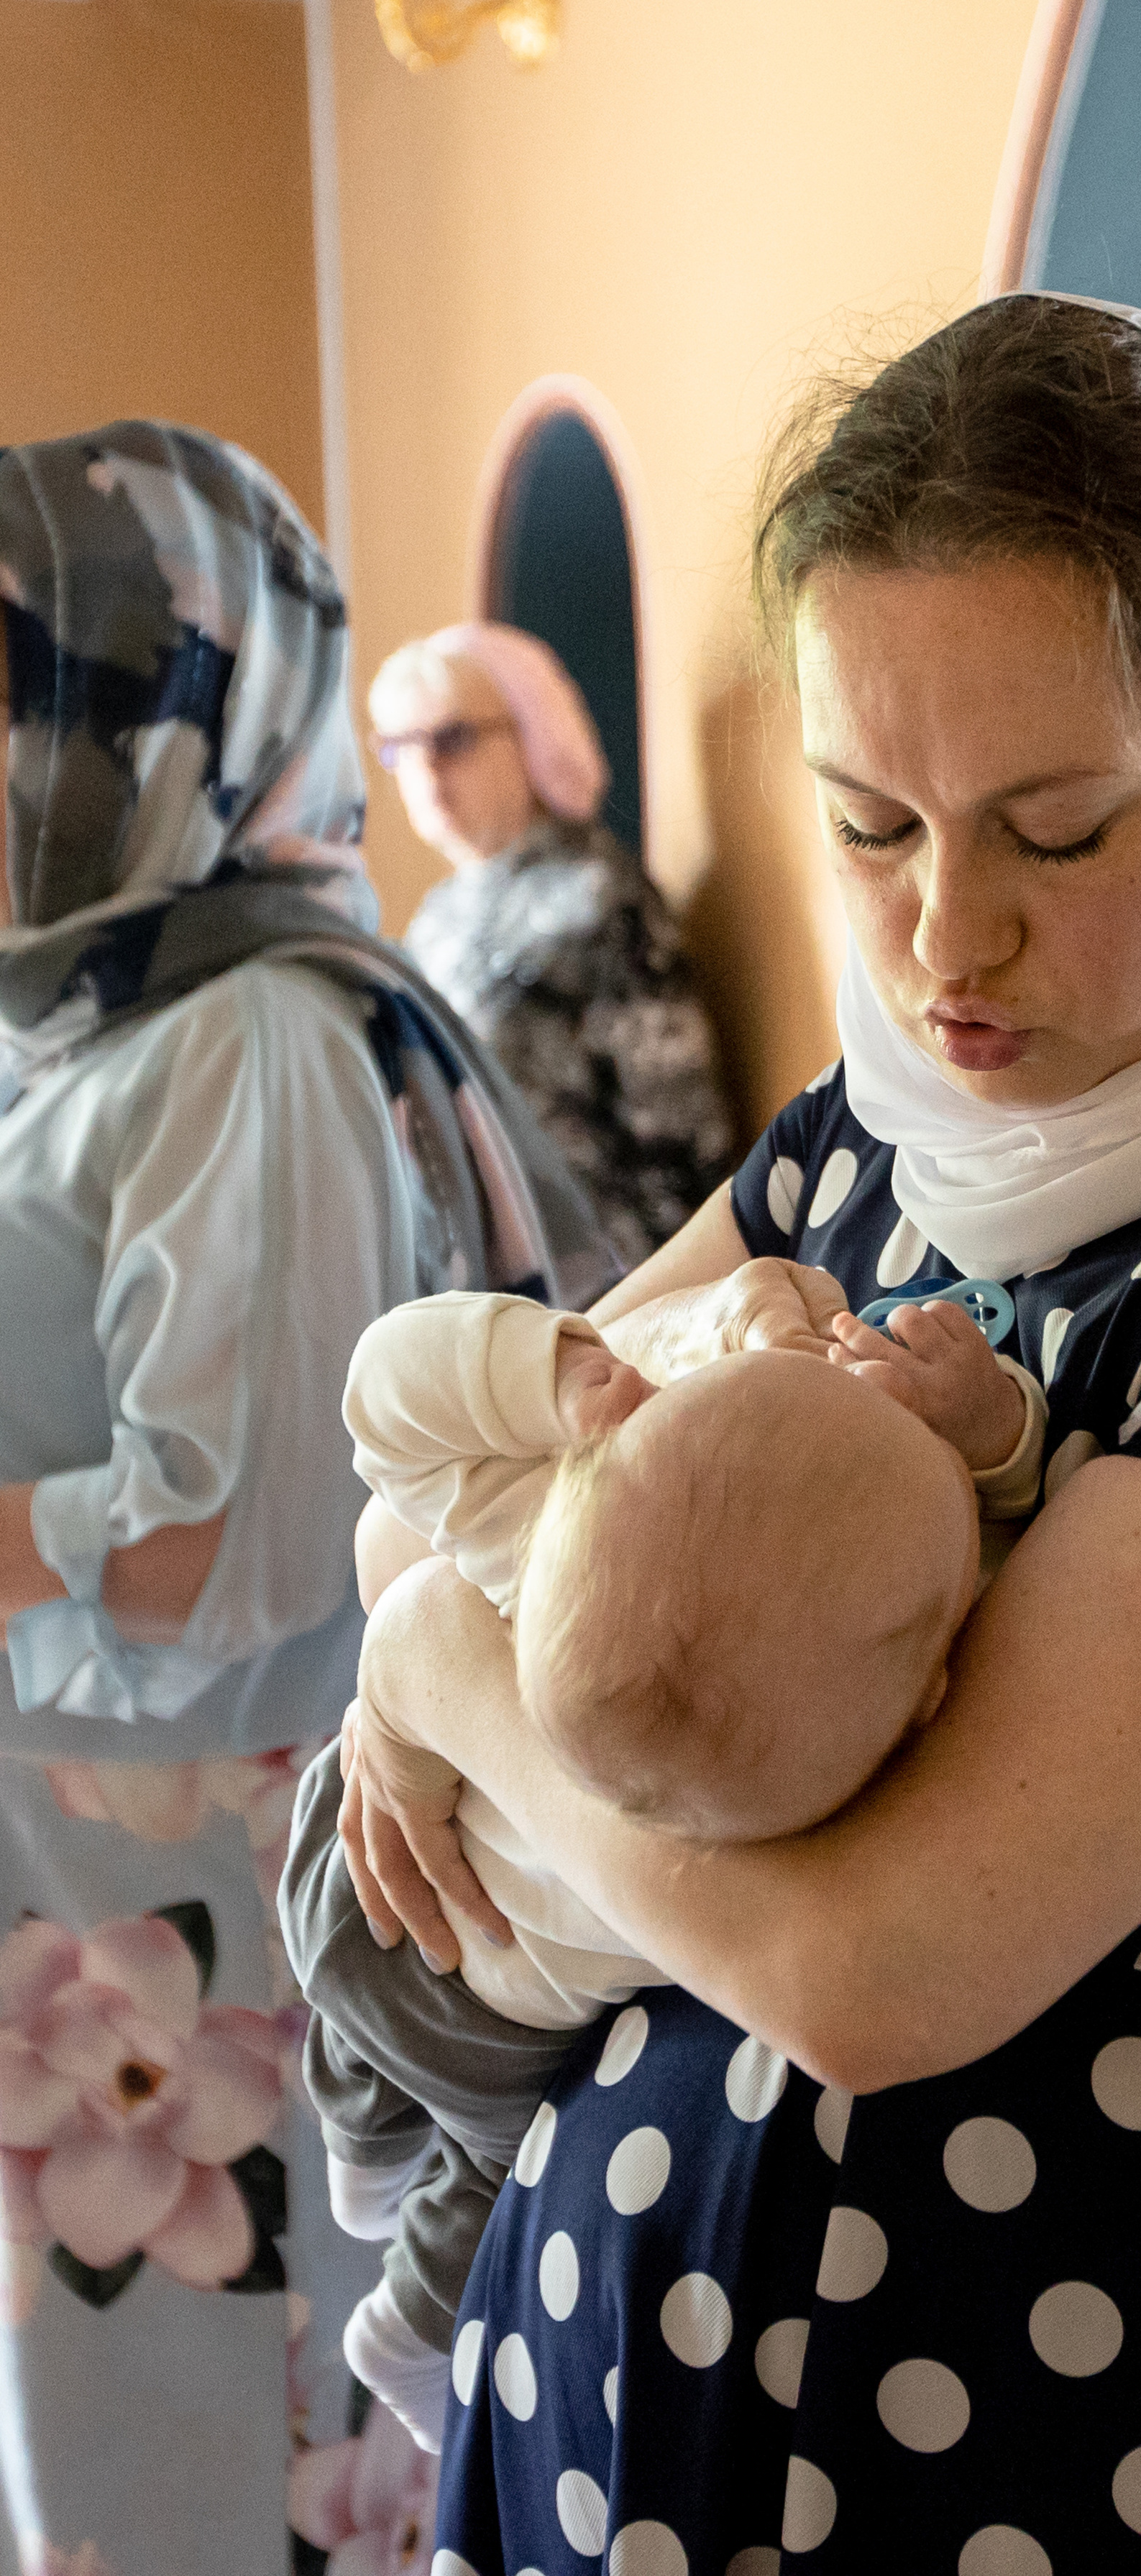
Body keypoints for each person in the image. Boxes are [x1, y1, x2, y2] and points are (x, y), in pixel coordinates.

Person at [339, 296, 1141, 2574]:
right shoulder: (876, 1133)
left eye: (1060, 826)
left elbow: (881, 1976)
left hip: (1078, 2431)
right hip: (627, 2372)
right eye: (866, 822)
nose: (946, 936)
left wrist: (443, 1679)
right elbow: (481, 1467)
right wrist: (432, 1589)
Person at [0, 423, 603, 2576]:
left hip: (210, 1904)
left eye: (25, 690)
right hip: (88, 1876)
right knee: (110, 2456)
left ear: (174, 707)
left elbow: (233, 1536)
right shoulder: (96, 1009)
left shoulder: (247, 1032)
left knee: (215, 2475)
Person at [282, 1278, 1041, 2449]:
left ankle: (358, 2154)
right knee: (478, 2184)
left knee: (349, 2031)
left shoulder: (533, 1547)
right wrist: (992, 1434)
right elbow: (1000, 1534)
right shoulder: (839, 1752)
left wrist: (562, 1373)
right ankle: (405, 2313)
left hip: (360, 1881)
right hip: (499, 2028)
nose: (867, 1372)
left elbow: (387, 1396)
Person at [372, 622, 734, 1270]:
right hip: (473, 1293)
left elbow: (683, 1139)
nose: (426, 770)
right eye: (401, 746)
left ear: (531, 732)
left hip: (602, 1294)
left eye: (452, 738)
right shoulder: (434, 920)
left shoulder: (600, 897)